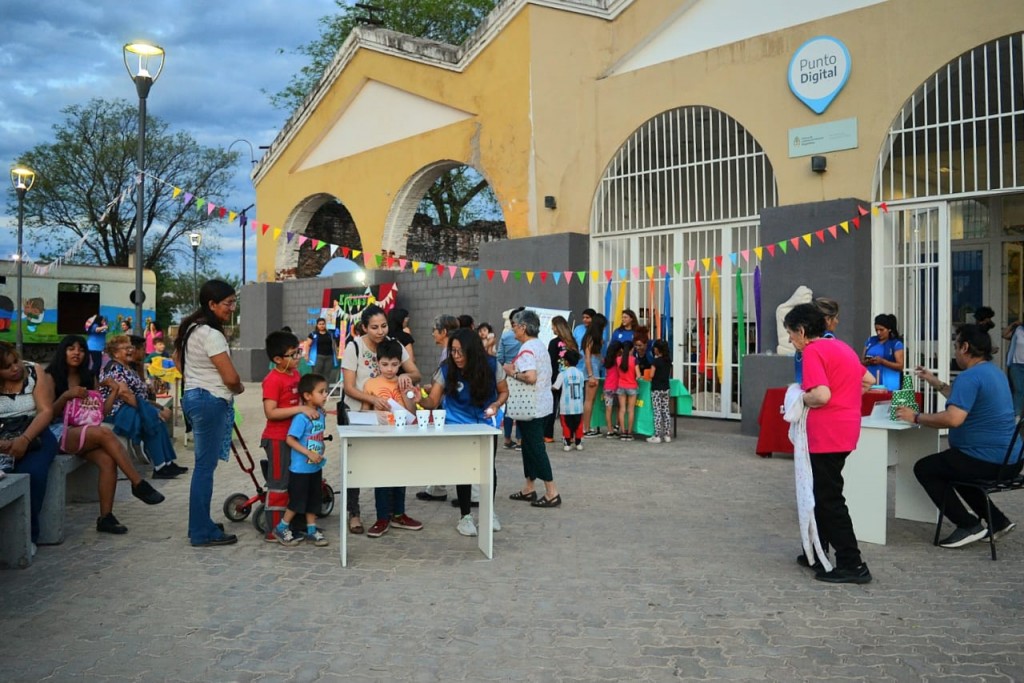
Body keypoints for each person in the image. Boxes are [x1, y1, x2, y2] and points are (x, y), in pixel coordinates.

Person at [896, 325, 1019, 548]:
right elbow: (961, 396)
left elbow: (953, 419)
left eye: (955, 346)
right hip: (1011, 459)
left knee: (926, 468)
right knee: (953, 464)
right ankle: (998, 521)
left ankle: (968, 525)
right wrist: (934, 382)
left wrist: (915, 417)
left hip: (988, 460)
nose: (954, 352)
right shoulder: (993, 372)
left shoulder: (970, 377)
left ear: (965, 347)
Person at [785, 303, 875, 584]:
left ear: (802, 331)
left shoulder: (812, 351)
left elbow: (821, 395)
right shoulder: (842, 348)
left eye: (790, 333)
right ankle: (815, 550)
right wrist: (845, 398)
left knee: (828, 499)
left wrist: (800, 398)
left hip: (825, 434)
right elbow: (868, 379)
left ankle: (852, 563)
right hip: (846, 430)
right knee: (821, 493)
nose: (790, 340)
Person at [46, 336, 164, 534]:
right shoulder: (50, 376)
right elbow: (47, 413)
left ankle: (105, 518)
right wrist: (67, 395)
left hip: (84, 430)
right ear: (62, 351)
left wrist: (114, 390)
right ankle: (138, 483)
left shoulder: (88, 376)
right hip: (57, 431)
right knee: (104, 433)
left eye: (81, 349)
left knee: (108, 460)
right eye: (71, 349)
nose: (76, 353)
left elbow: (101, 413)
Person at [341, 304, 422, 537]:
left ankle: (396, 514)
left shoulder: (394, 345)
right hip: (362, 414)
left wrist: (405, 375)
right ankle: (355, 513)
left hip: (394, 418)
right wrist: (372, 400)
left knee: (395, 464)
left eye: (384, 326)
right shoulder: (354, 347)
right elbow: (348, 387)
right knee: (356, 464)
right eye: (374, 327)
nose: (380, 331)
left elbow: (415, 373)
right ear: (364, 327)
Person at [176, 280, 245, 548]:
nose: (232, 308)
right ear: (211, 304)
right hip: (209, 400)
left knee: (203, 466)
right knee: (205, 468)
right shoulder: (212, 334)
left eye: (233, 302)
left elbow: (180, 362)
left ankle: (201, 522)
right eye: (227, 303)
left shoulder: (190, 329)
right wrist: (237, 388)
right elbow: (230, 377)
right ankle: (201, 530)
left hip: (194, 397)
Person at [421, 328, 508, 536]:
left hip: (486, 423)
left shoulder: (491, 365)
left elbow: (504, 391)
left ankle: (489, 512)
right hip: (457, 423)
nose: (456, 356)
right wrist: (418, 399)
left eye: (461, 351)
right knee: (464, 469)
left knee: (488, 468)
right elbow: (432, 401)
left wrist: (496, 404)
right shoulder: (446, 369)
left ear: (473, 350)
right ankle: (465, 516)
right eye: (453, 351)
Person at [261, 331, 323, 538]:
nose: (298, 357)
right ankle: (275, 530)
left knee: (297, 483)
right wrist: (300, 410)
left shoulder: (295, 374)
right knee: (280, 484)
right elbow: (270, 412)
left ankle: (296, 525)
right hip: (278, 438)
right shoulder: (272, 379)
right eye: (293, 354)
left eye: (298, 352)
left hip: (298, 438)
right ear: (278, 359)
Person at [359, 338, 422, 538]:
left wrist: (408, 394)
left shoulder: (405, 381)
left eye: (395, 365)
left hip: (402, 436)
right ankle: (382, 517)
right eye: (385, 364)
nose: (389, 369)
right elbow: (363, 414)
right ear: (377, 363)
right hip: (381, 438)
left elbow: (412, 414)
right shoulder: (370, 384)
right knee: (382, 477)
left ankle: (399, 514)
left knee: (400, 475)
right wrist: (373, 415)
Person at [100, 335, 184, 480]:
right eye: (126, 348)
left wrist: (156, 407)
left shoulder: (127, 367)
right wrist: (150, 410)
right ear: (115, 352)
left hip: (132, 406)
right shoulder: (115, 368)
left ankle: (168, 463)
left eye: (130, 347)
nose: (130, 350)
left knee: (158, 418)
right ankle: (159, 466)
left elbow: (138, 396)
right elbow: (125, 394)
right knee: (152, 419)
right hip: (118, 410)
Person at [0, 341, 59, 545]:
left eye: (15, 361)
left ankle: (28, 536)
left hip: (36, 433)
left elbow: (46, 411)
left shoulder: (34, 370)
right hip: (2, 436)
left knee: (32, 474)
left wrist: (24, 439)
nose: (15, 368)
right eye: (6, 367)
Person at [504, 309, 561, 508]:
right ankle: (529, 487)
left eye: (515, 326)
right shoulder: (539, 345)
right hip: (542, 404)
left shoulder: (527, 348)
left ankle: (551, 491)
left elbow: (530, 377)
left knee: (535, 448)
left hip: (531, 406)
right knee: (528, 447)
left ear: (524, 327)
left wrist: (511, 373)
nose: (513, 330)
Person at [273, 373, 331, 548]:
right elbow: (290, 439)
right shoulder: (301, 417)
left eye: (326, 391)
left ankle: (312, 530)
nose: (325, 395)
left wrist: (321, 449)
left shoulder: (320, 414)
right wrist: (308, 453)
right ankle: (281, 527)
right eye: (321, 392)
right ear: (307, 396)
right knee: (297, 501)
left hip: (315, 467)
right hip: (300, 469)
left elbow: (317, 436)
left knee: (314, 499)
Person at [543, 315, 578, 443]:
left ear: (557, 327)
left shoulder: (553, 343)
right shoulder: (572, 342)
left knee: (552, 407)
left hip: (555, 378)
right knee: (569, 408)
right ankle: (571, 434)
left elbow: (550, 362)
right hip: (570, 378)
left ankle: (548, 435)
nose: (552, 328)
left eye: (553, 325)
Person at [497, 307, 525, 449]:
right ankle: (520, 439)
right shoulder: (526, 337)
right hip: (522, 374)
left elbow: (500, 357)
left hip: (508, 374)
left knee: (508, 408)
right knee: (521, 406)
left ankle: (507, 438)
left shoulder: (505, 336)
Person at [794, 298, 839, 383]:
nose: (837, 321)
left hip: (802, 388)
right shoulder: (828, 339)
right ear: (828, 320)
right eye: (836, 317)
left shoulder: (803, 338)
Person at [552, 348, 585, 452]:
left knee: (566, 425)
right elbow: (582, 386)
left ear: (566, 361)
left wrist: (550, 387)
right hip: (578, 406)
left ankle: (567, 443)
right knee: (578, 424)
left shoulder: (562, 374)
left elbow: (556, 387)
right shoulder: (580, 374)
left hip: (566, 406)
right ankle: (578, 443)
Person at [581, 313, 607, 437]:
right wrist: (591, 375)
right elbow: (587, 357)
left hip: (594, 367)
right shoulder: (591, 337)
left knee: (590, 400)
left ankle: (586, 427)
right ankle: (585, 428)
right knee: (589, 400)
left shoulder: (591, 337)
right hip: (592, 369)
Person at [862, 313, 905, 390]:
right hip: (870, 384)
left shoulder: (895, 344)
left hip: (889, 385)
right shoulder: (870, 341)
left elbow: (900, 366)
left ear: (889, 329)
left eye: (881, 330)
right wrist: (868, 361)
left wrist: (882, 361)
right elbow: (862, 361)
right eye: (876, 330)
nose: (878, 333)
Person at [646, 340, 672, 444]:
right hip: (666, 388)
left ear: (657, 349)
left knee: (657, 411)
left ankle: (657, 435)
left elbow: (651, 375)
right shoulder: (668, 361)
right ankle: (667, 435)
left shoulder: (655, 362)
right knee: (665, 410)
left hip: (656, 388)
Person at [615, 335, 639, 441]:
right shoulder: (634, 360)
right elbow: (638, 375)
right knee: (631, 410)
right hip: (632, 386)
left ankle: (622, 432)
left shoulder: (618, 360)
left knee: (622, 409)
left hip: (621, 386)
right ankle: (629, 432)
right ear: (632, 349)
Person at [1002, 317, 1024, 416]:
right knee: (1019, 390)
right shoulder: (1018, 330)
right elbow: (1004, 334)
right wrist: (1013, 324)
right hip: (1016, 365)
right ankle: (1016, 416)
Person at [307, 318, 338, 383]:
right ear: (317, 325)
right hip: (318, 357)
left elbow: (334, 345)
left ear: (325, 324)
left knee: (326, 376)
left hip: (329, 357)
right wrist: (306, 355)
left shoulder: (330, 334)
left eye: (323, 324)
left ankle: (326, 392)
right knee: (316, 375)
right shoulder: (313, 334)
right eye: (320, 324)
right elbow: (308, 345)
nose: (321, 325)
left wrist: (336, 354)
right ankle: (315, 391)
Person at [602, 341, 622, 438]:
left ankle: (609, 430)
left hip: (607, 387)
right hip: (617, 387)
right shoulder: (618, 360)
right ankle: (617, 426)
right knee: (620, 407)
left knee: (608, 409)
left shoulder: (607, 360)